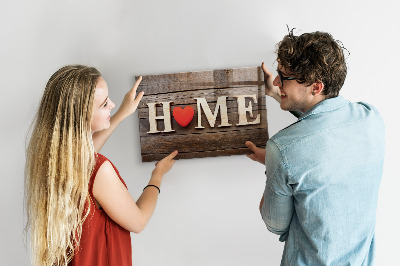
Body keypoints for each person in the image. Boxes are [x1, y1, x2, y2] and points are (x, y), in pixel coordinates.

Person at [245, 30, 385, 265]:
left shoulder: (282, 149)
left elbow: (274, 224)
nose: (277, 81)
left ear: (316, 87)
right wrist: (278, 94)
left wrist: (274, 163)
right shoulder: (372, 118)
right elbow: (325, 124)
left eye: (284, 77)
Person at [24, 65, 178, 266]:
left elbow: (86, 157)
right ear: (82, 117)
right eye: (105, 104)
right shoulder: (99, 170)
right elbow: (138, 221)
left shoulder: (53, 160)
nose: (113, 104)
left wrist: (122, 113)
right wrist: (157, 176)